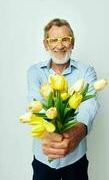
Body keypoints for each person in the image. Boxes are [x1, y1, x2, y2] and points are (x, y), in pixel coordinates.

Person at [27, 18, 99, 180]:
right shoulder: (35, 72)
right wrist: (50, 135)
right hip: (44, 157)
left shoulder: (86, 71)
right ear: (46, 45)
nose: (60, 46)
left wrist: (77, 132)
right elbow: (34, 102)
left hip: (75, 158)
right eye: (54, 40)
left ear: (72, 43)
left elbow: (90, 104)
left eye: (65, 39)